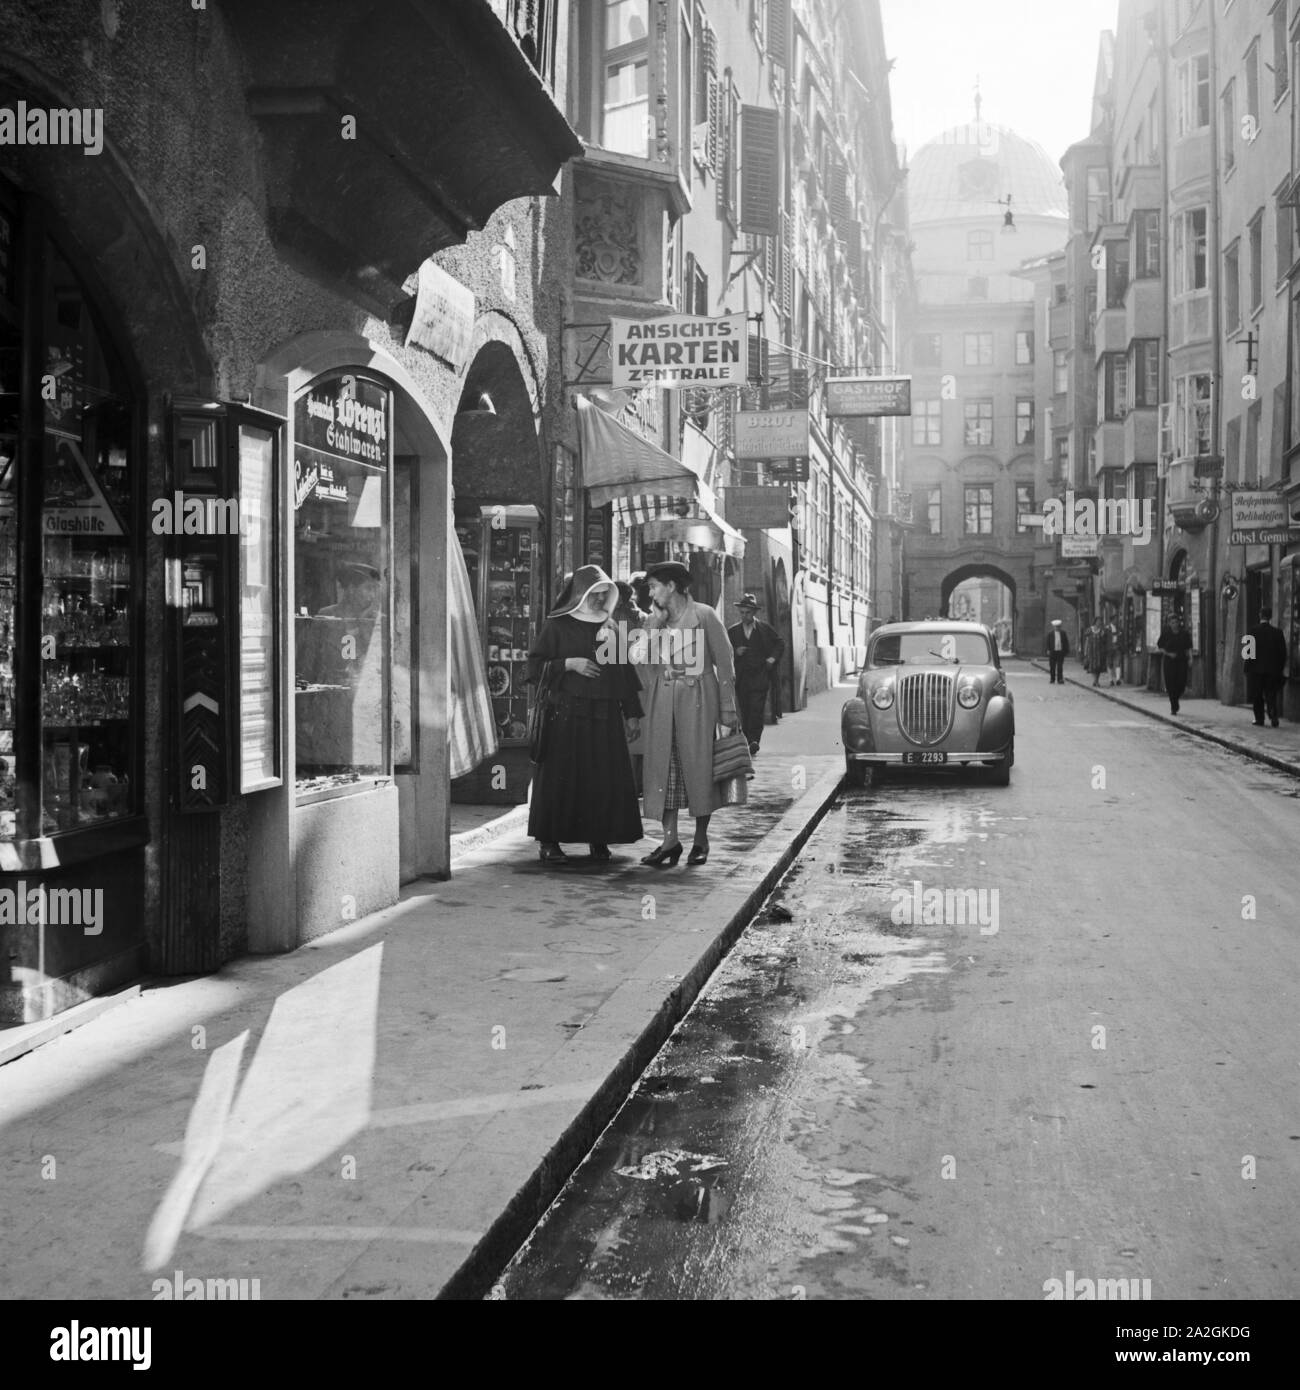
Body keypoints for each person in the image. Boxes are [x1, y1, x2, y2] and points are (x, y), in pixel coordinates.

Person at [525, 565, 643, 866]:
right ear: (579, 594)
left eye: (604, 595)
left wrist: (631, 714)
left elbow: (625, 673)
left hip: (604, 715)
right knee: (560, 779)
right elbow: (534, 667)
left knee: (601, 778)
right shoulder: (558, 626)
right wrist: (567, 664)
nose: (600, 601)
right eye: (595, 595)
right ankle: (549, 841)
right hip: (565, 714)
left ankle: (599, 837)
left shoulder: (612, 626)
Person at [638, 560, 739, 868]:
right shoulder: (654, 621)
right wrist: (654, 625)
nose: (651, 592)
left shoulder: (705, 615)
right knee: (663, 772)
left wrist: (727, 709)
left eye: (655, 586)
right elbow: (637, 658)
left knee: (699, 769)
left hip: (699, 702)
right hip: (662, 704)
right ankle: (669, 841)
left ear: (671, 586)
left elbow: (725, 664)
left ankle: (700, 840)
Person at [728, 593, 785, 755]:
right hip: (741, 678)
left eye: (747, 613)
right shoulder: (733, 631)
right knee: (745, 710)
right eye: (742, 613)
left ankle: (754, 740)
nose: (744, 616)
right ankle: (747, 739)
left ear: (754, 613)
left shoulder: (764, 629)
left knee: (757, 709)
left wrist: (772, 659)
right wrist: (735, 652)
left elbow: (780, 643)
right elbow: (724, 651)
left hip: (760, 676)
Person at [1244, 606, 1287, 728]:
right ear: (1270, 617)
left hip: (1256, 671)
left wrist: (1247, 668)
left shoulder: (1252, 631)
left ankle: (1259, 719)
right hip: (1272, 670)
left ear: (1260, 615)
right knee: (1271, 694)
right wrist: (1279, 668)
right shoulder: (1278, 632)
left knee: (1257, 695)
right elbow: (1283, 653)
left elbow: (1248, 653)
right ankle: (1273, 717)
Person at [1156, 611, 1193, 715]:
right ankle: (1174, 706)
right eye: (1172, 622)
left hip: (1182, 661)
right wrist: (1168, 654)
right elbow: (1160, 646)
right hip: (1169, 662)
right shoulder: (1166, 633)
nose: (1174, 624)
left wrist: (1190, 659)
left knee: (1181, 683)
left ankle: (1175, 699)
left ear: (1178, 623)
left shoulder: (1184, 633)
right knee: (1171, 684)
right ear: (1169, 623)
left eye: (1176, 622)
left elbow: (1188, 647)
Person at [1083, 615, 1107, 688]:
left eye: (1100, 621)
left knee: (1098, 666)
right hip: (1091, 651)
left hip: (1099, 651)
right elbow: (1087, 641)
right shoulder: (1090, 630)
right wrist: (1085, 650)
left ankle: (1097, 680)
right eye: (1098, 621)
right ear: (1095, 622)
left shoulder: (1102, 631)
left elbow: (1104, 642)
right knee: (1092, 666)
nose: (1099, 623)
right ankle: (1095, 680)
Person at [1045, 619, 1069, 684]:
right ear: (1054, 627)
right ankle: (1052, 679)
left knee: (1060, 666)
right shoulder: (1050, 634)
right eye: (1056, 626)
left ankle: (1060, 679)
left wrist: (1066, 651)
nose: (1057, 628)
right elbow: (1048, 642)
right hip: (1053, 652)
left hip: (1060, 652)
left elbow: (1066, 642)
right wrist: (1048, 649)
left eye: (1058, 626)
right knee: (1052, 666)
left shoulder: (1063, 633)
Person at [1106, 615, 1122, 686]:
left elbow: (1121, 636)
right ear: (1112, 620)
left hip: (1117, 646)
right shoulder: (1107, 628)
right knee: (1110, 664)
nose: (1116, 621)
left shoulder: (1119, 628)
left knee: (1118, 663)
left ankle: (1118, 679)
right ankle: (1110, 680)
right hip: (1109, 648)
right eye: (1115, 619)